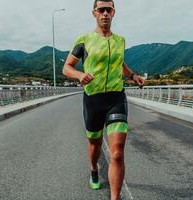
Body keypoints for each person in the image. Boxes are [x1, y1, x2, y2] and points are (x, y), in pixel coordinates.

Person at [62, 0, 145, 199]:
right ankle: (93, 168)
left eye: (109, 10)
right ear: (94, 13)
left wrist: (133, 76)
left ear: (114, 12)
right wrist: (80, 75)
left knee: (117, 152)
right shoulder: (84, 40)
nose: (105, 13)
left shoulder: (120, 41)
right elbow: (66, 68)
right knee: (95, 144)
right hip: (93, 100)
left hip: (116, 97)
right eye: (101, 10)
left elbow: (120, 64)